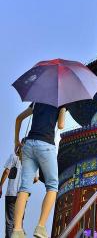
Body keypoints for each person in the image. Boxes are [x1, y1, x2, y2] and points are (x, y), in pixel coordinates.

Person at [12, 102, 66, 238]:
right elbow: (61, 126)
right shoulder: (61, 101)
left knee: (24, 187)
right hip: (46, 145)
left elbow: (18, 118)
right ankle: (40, 227)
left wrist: (16, 142)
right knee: (52, 186)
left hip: (29, 145)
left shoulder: (37, 100)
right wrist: (63, 110)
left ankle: (17, 230)